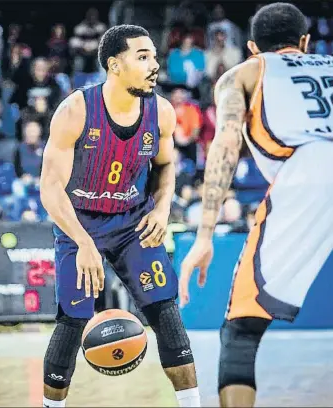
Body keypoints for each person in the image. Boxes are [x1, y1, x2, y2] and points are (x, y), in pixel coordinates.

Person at [179, 3, 333, 407]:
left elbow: (225, 145)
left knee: (241, 331)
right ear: (305, 42)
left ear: (251, 47)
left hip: (311, 169)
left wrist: (205, 234)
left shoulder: (244, 73)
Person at [40, 25, 201, 408]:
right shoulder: (76, 110)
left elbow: (165, 167)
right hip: (80, 223)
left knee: (164, 310)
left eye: (154, 57)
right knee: (73, 319)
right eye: (142, 57)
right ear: (115, 65)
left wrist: (162, 209)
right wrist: (82, 242)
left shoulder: (161, 111)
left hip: (132, 223)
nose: (154, 64)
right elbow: (49, 189)